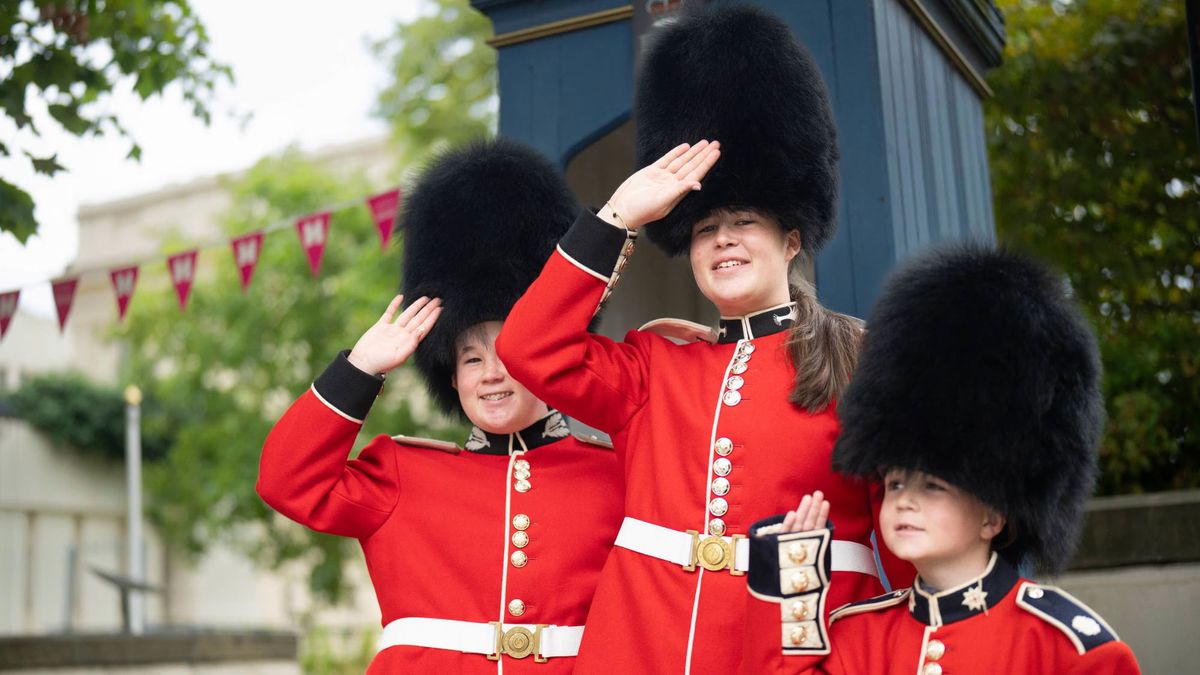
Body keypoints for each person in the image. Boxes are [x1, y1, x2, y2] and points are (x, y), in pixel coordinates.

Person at [495, 6, 911, 673]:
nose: (722, 238)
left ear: (791, 238)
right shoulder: (653, 367)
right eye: (703, 227)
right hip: (641, 649)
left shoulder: (857, 362)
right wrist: (616, 218)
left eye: (745, 220)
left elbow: (911, 546)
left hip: (796, 649)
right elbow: (527, 348)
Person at [256, 139, 623, 673]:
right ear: (451, 378)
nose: (492, 373)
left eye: (507, 353)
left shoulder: (616, 473)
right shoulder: (403, 473)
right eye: (471, 359)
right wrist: (360, 369)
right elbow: (285, 482)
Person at [744, 244, 1141, 674]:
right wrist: (797, 592)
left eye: (933, 486)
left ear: (993, 514)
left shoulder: (1065, 647)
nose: (904, 502)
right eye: (895, 483)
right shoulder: (859, 638)